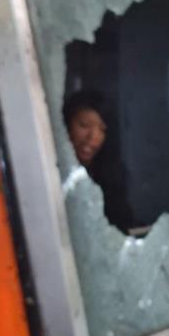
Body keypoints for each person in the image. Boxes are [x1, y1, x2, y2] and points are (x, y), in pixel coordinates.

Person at [62, 90, 135, 232]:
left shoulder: (111, 176)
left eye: (102, 129)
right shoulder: (50, 172)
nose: (93, 137)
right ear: (66, 125)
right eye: (84, 125)